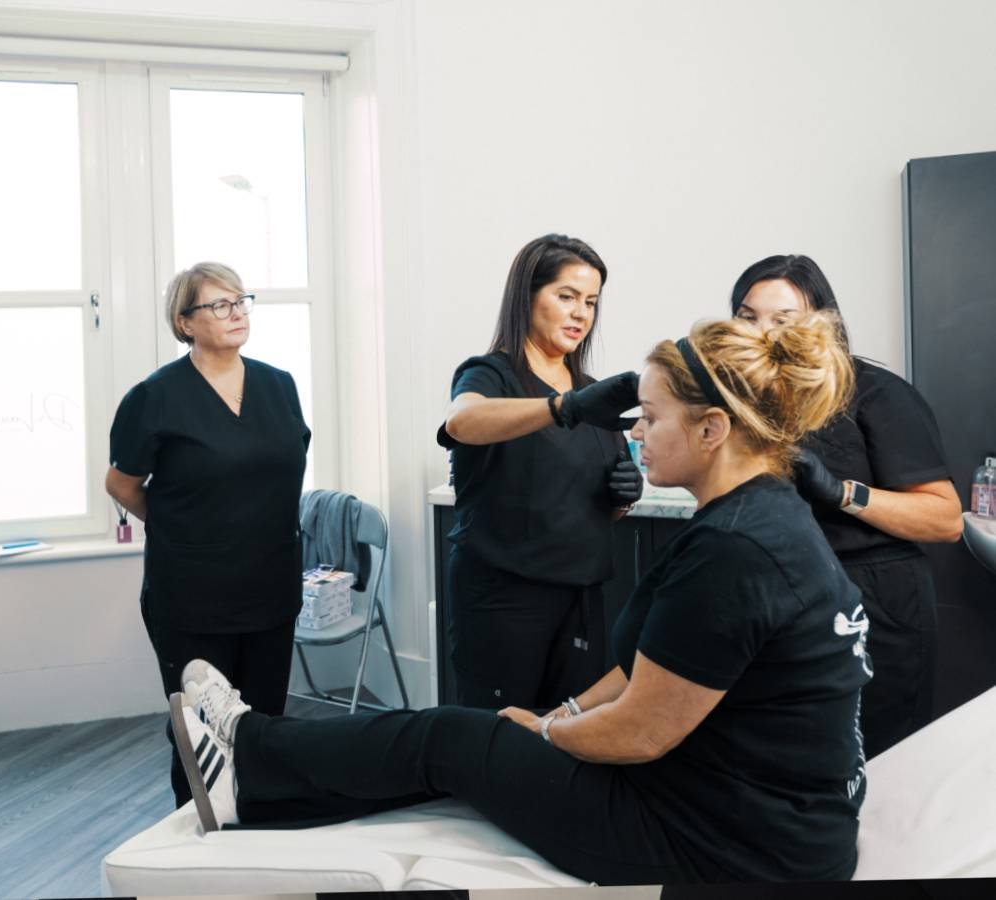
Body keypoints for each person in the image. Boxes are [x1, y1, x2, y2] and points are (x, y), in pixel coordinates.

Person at [169, 312, 872, 885]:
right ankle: (259, 785)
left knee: (449, 736)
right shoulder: (762, 515)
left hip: (723, 845)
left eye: (651, 418)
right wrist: (558, 714)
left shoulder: (736, 550)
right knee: (468, 739)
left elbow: (639, 733)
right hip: (762, 823)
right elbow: (650, 672)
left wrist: (539, 735)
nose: (634, 432)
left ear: (712, 429)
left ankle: (249, 756)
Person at [730, 254, 962, 758]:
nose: (762, 332)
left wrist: (842, 493)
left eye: (782, 319)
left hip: (875, 598)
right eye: (747, 317)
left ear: (822, 322)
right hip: (782, 596)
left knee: (880, 755)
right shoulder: (746, 403)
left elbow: (944, 519)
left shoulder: (876, 393)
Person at [106, 262, 310, 809]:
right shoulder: (155, 396)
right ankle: (197, 839)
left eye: (241, 300)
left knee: (264, 726)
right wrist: (181, 527)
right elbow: (121, 484)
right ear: (185, 322)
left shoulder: (279, 385)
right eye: (219, 304)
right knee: (201, 736)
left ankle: (260, 829)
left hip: (270, 584)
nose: (236, 312)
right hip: (193, 594)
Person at [438, 233, 642, 710]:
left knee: (566, 731)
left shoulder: (591, 392)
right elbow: (461, 421)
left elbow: (584, 501)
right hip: (503, 599)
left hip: (580, 598)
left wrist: (622, 496)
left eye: (590, 302)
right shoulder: (491, 375)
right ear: (527, 296)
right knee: (500, 733)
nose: (581, 314)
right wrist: (562, 407)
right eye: (566, 296)